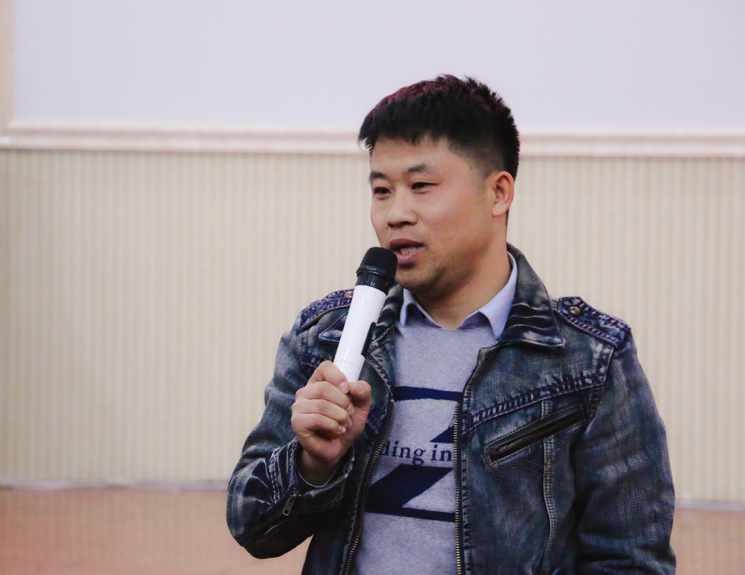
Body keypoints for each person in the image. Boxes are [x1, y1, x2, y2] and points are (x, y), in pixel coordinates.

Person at [226, 75, 675, 575]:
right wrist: (313, 464)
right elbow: (251, 527)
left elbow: (630, 558)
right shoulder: (328, 338)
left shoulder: (588, 358)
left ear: (498, 193)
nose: (396, 214)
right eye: (381, 190)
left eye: (421, 186)